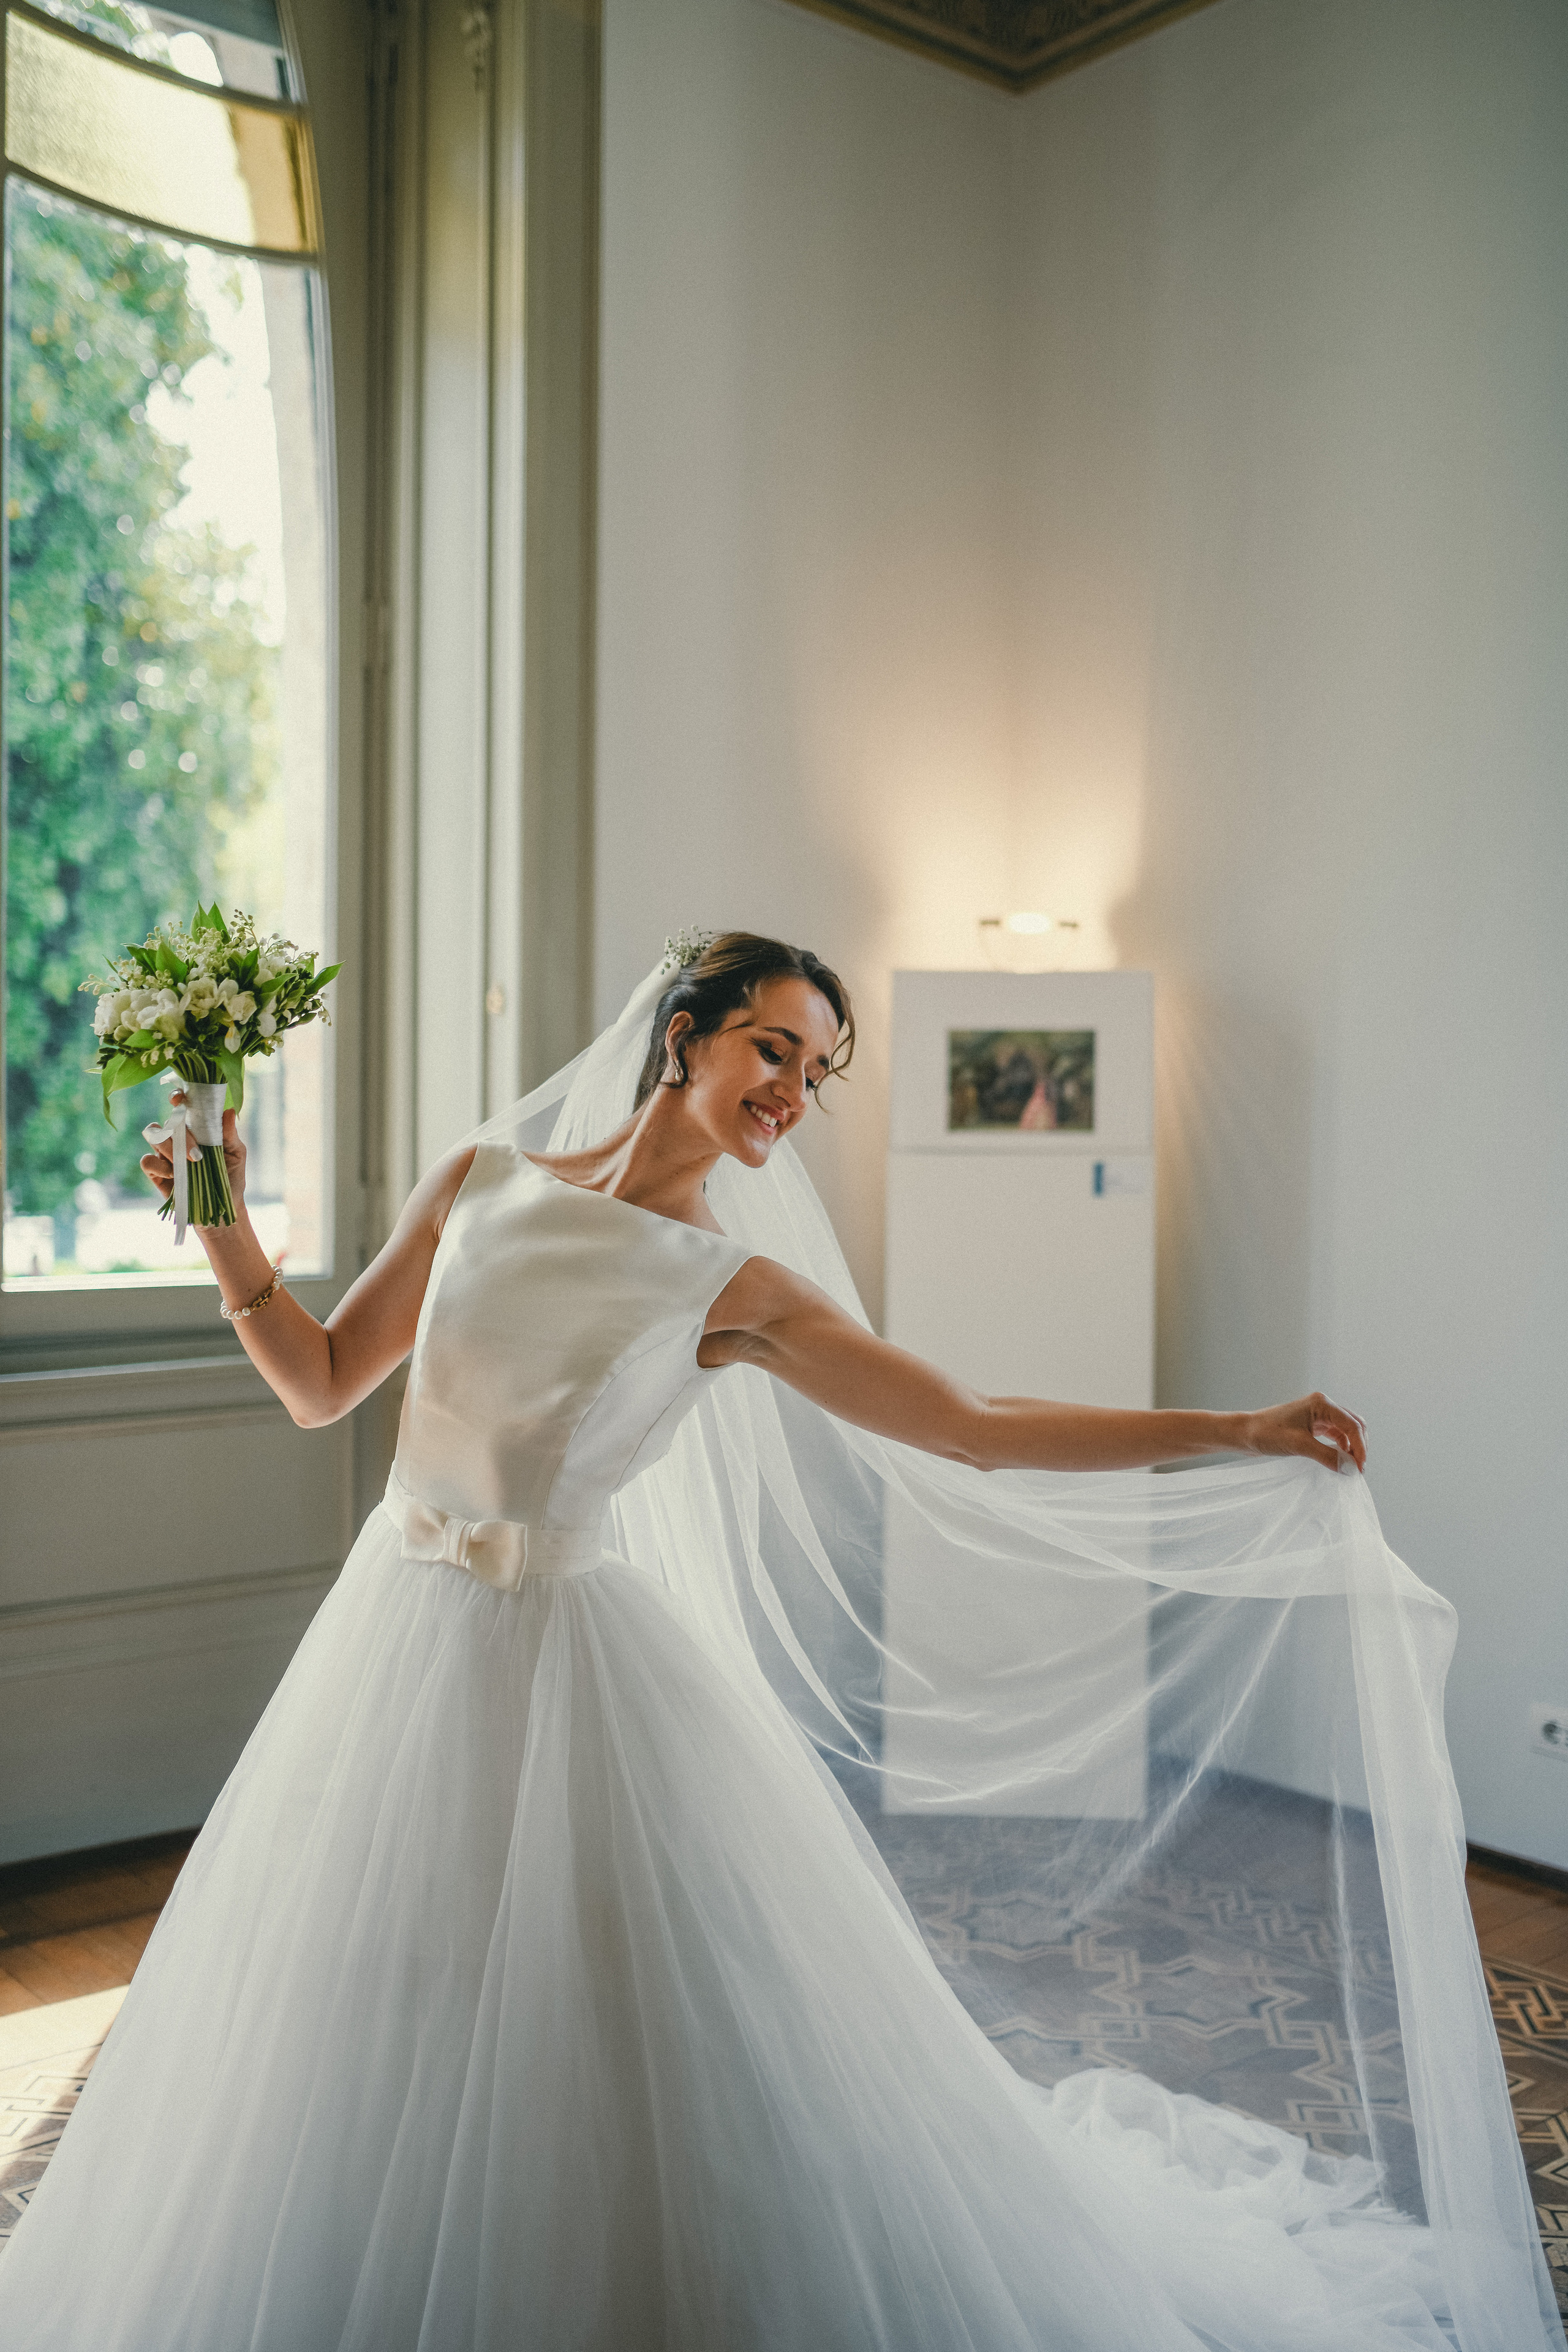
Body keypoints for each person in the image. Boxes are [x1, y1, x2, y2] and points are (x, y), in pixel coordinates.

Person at [0, 933, 1555, 2351]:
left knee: (602, 2041)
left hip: (570, 1675)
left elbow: (973, 1429)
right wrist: (216, 1209)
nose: (791, 1096)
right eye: (773, 1052)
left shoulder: (730, 1287)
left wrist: (1231, 1425)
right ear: (681, 1035)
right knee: (360, 2009)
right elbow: (321, 1380)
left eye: (816, 1076)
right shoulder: (478, 1179)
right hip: (393, 1643)